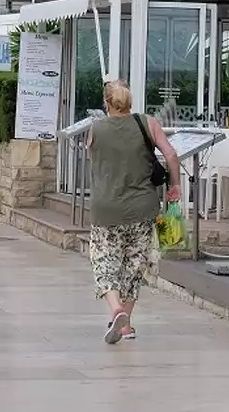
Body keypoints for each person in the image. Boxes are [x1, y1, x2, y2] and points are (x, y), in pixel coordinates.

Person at [86, 80, 181, 344]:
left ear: (107, 103)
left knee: (104, 260)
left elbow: (92, 158)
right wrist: (175, 186)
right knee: (135, 265)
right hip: (143, 208)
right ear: (130, 101)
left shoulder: (95, 128)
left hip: (106, 208)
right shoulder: (147, 123)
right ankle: (126, 324)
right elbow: (171, 156)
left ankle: (115, 309)